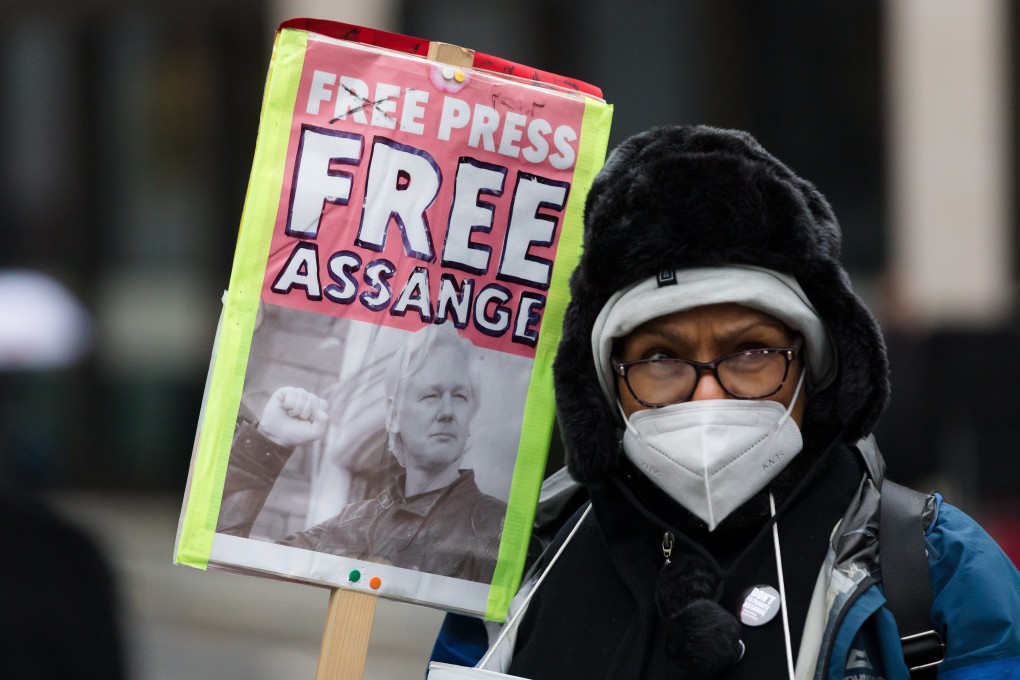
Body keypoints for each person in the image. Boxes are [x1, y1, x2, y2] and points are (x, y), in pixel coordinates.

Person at [435, 126, 1020, 678]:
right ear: (607, 384)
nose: (708, 393)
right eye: (662, 359)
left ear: (811, 366)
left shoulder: (936, 568)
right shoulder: (523, 565)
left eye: (749, 354)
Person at [217, 323, 507, 583]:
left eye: (459, 396)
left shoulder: (499, 531)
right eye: (430, 395)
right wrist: (269, 441)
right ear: (393, 415)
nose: (447, 412)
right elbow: (228, 561)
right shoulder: (350, 525)